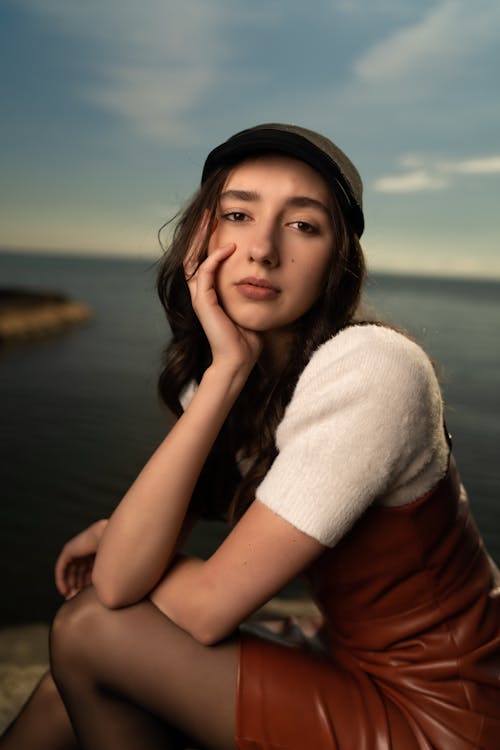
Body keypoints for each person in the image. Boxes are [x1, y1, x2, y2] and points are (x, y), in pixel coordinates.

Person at [1, 123, 499, 750]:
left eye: (303, 225)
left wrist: (130, 545)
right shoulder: (221, 377)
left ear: (337, 262)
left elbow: (190, 607)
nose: (262, 248)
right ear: (202, 235)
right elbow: (124, 577)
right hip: (343, 659)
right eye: (238, 214)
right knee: (65, 685)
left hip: (442, 714)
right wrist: (226, 373)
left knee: (89, 632)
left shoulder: (374, 368)